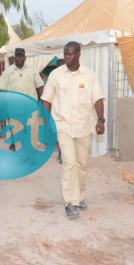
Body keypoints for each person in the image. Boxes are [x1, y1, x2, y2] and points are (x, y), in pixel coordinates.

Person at [41, 41, 105, 219]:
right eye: (65, 54)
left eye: (70, 54)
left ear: (78, 54)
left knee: (82, 165)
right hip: (63, 126)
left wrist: (100, 119)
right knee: (69, 164)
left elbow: (98, 98)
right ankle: (70, 202)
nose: (67, 57)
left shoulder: (89, 75)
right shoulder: (56, 75)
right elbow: (46, 99)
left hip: (84, 126)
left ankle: (79, 196)